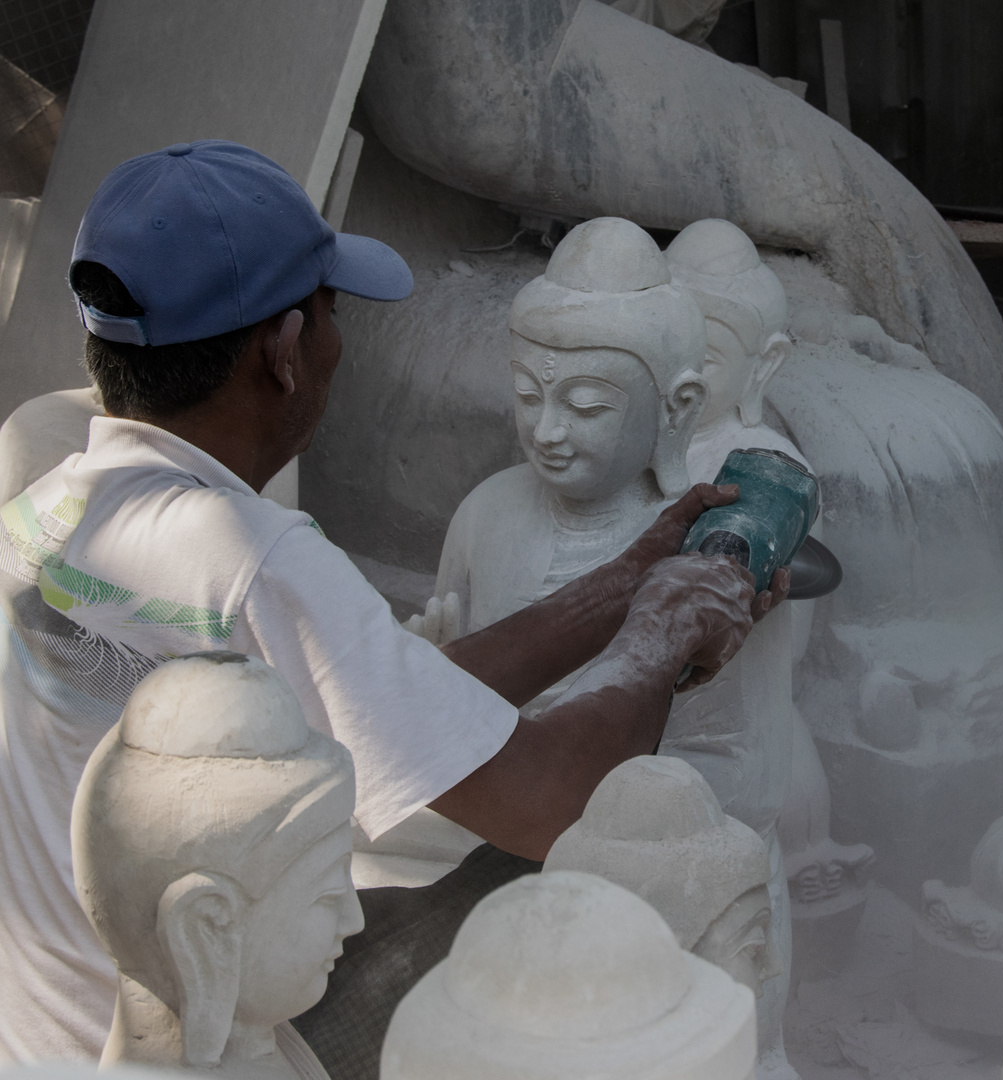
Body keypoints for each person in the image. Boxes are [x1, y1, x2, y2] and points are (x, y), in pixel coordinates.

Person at [0, 140, 780, 1065]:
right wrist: (665, 632)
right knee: (606, 900)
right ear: (286, 352)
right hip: (197, 1042)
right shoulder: (252, 557)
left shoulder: (45, 511)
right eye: (331, 315)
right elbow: (543, 799)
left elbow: (398, 697)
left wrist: (629, 578)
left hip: (43, 1033)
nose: (549, 430)